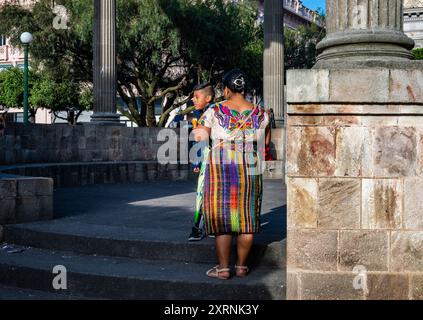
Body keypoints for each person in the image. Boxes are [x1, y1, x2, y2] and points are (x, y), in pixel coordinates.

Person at [193, 69, 270, 279]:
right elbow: (266, 145)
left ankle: (224, 268)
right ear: (245, 89)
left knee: (222, 219)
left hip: (221, 165)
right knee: (247, 218)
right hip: (250, 166)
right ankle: (242, 267)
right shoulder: (262, 114)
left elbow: (200, 137)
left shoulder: (214, 111)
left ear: (226, 90)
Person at [188, 83, 215, 241]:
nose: (193, 99)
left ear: (208, 98)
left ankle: (198, 228)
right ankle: (212, 226)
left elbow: (199, 139)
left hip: (209, 158)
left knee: (201, 192)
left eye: (197, 96)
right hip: (218, 158)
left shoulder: (208, 114)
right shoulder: (211, 111)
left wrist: (196, 162)